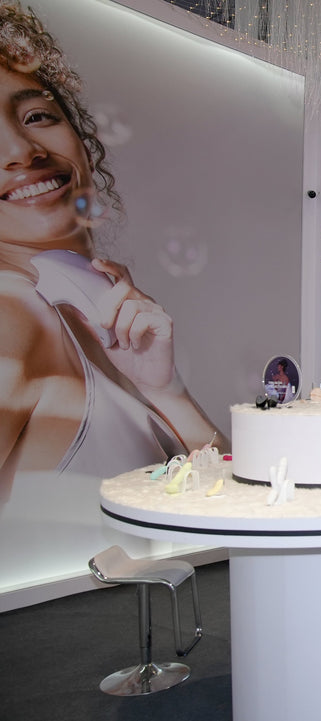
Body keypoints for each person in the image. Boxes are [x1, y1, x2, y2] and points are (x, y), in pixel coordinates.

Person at [0, 4, 225, 498]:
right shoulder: (11, 312)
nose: (21, 151)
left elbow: (227, 492)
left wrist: (165, 390)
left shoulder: (77, 299)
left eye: (36, 116)